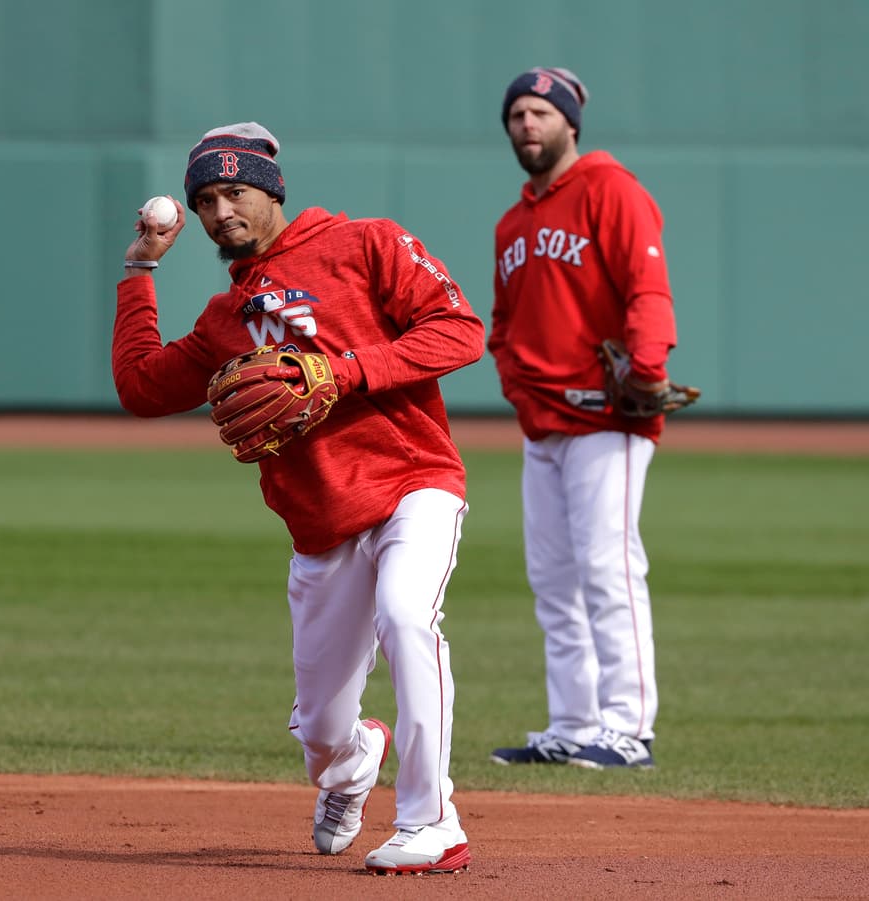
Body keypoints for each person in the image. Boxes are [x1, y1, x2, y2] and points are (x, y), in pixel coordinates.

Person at [112, 123, 486, 874]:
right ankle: (353, 763)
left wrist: (344, 371)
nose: (221, 211)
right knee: (320, 729)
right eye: (206, 199)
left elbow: (461, 330)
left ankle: (432, 819)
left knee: (410, 616)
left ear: (272, 190)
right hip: (320, 525)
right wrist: (138, 268)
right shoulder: (226, 320)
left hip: (415, 481)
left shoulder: (366, 244)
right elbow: (141, 386)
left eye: (235, 191)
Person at [487, 68, 681, 769]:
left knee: (608, 567)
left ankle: (628, 728)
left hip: (607, 421)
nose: (527, 125)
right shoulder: (513, 222)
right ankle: (573, 721)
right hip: (543, 426)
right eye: (517, 115)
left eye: (541, 112)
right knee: (554, 579)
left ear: (571, 122)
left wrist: (649, 369)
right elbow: (503, 325)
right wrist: (517, 388)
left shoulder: (613, 191)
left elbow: (647, 291)